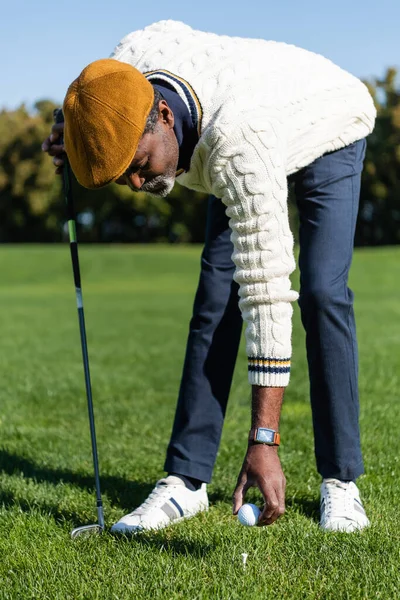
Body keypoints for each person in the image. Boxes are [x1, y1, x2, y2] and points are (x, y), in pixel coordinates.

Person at [42, 20, 376, 533]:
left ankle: (341, 480)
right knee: (214, 296)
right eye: (122, 176)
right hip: (240, 130)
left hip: (324, 122)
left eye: (138, 164)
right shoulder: (126, 71)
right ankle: (185, 480)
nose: (137, 184)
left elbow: (266, 289)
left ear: (164, 115)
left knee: (321, 291)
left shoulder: (238, 138)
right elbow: (101, 88)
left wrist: (264, 439)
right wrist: (79, 134)